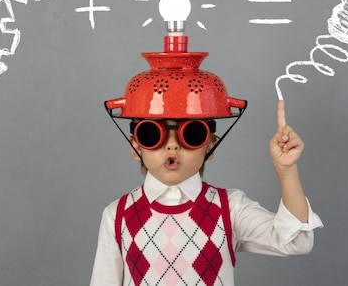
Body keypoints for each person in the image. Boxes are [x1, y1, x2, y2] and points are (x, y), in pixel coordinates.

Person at [90, 99, 323, 285]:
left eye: (191, 133)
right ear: (135, 146)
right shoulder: (118, 215)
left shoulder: (229, 208)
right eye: (152, 134)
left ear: (210, 146)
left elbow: (297, 242)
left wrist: (286, 170)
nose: (172, 145)